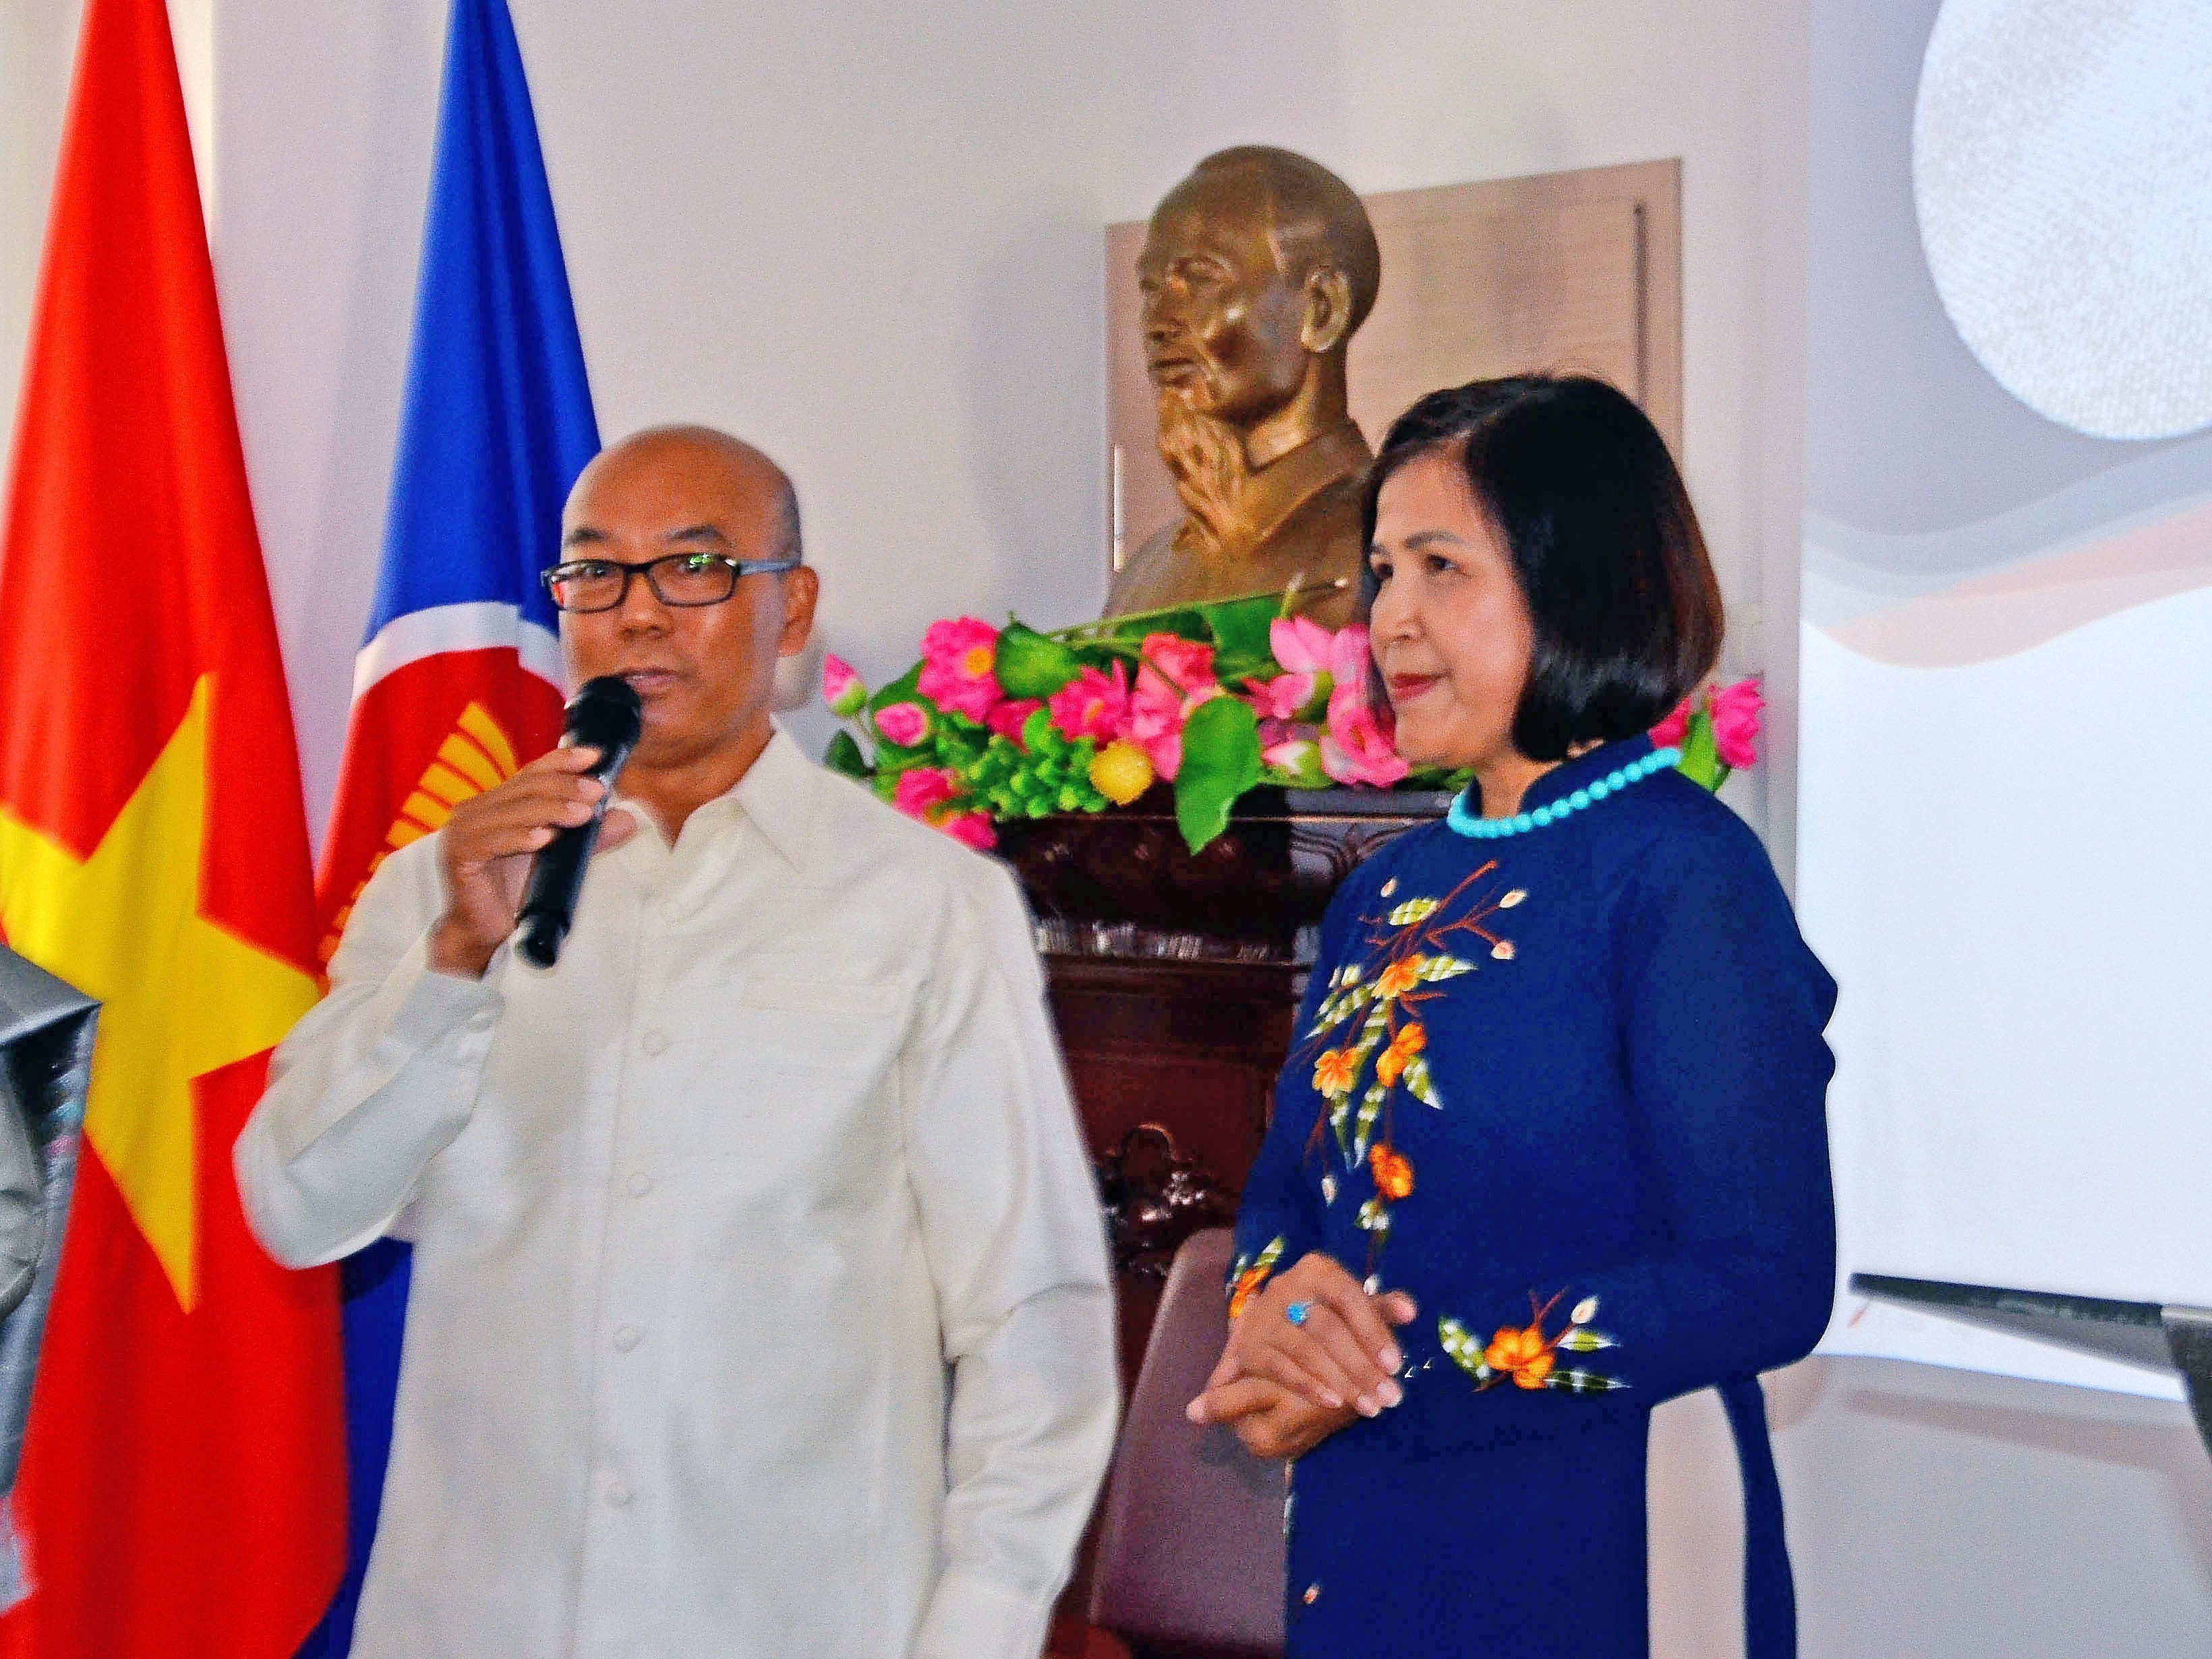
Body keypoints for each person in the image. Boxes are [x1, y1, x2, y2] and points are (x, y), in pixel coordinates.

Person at [237, 426, 1118, 1659]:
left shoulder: (926, 908)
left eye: (692, 569)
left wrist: (978, 1628)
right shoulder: (440, 887)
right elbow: (294, 1207)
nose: (637, 616)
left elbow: (1034, 1318)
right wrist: (451, 966)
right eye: (595, 574)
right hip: (478, 1617)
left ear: (791, 606)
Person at [1188, 376, 1836, 1659]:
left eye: (1443, 567)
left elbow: (1762, 1284)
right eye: (1381, 571)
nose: (1391, 619)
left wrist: (1391, 1372)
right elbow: (1281, 1200)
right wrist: (1277, 1320)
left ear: (1582, 581)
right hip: (1371, 1534)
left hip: (1606, 1541)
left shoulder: (1683, 876)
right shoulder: (1386, 891)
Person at [1104, 146, 1381, 627]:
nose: (1158, 323)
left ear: (1322, 309)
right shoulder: (1144, 576)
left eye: (1201, 279)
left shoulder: (1389, 546)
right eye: (1152, 290)